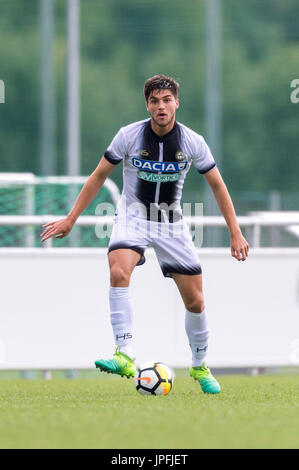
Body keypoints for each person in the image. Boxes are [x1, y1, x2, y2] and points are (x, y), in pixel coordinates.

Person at [41, 75, 249, 394]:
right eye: (154, 101)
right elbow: (98, 175)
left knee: (195, 300)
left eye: (167, 100)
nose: (161, 106)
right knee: (117, 269)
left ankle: (200, 365)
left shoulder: (192, 142)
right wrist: (71, 219)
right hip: (133, 216)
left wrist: (235, 232)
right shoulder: (129, 136)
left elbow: (218, 186)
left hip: (171, 222)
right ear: (147, 105)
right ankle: (124, 354)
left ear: (177, 102)